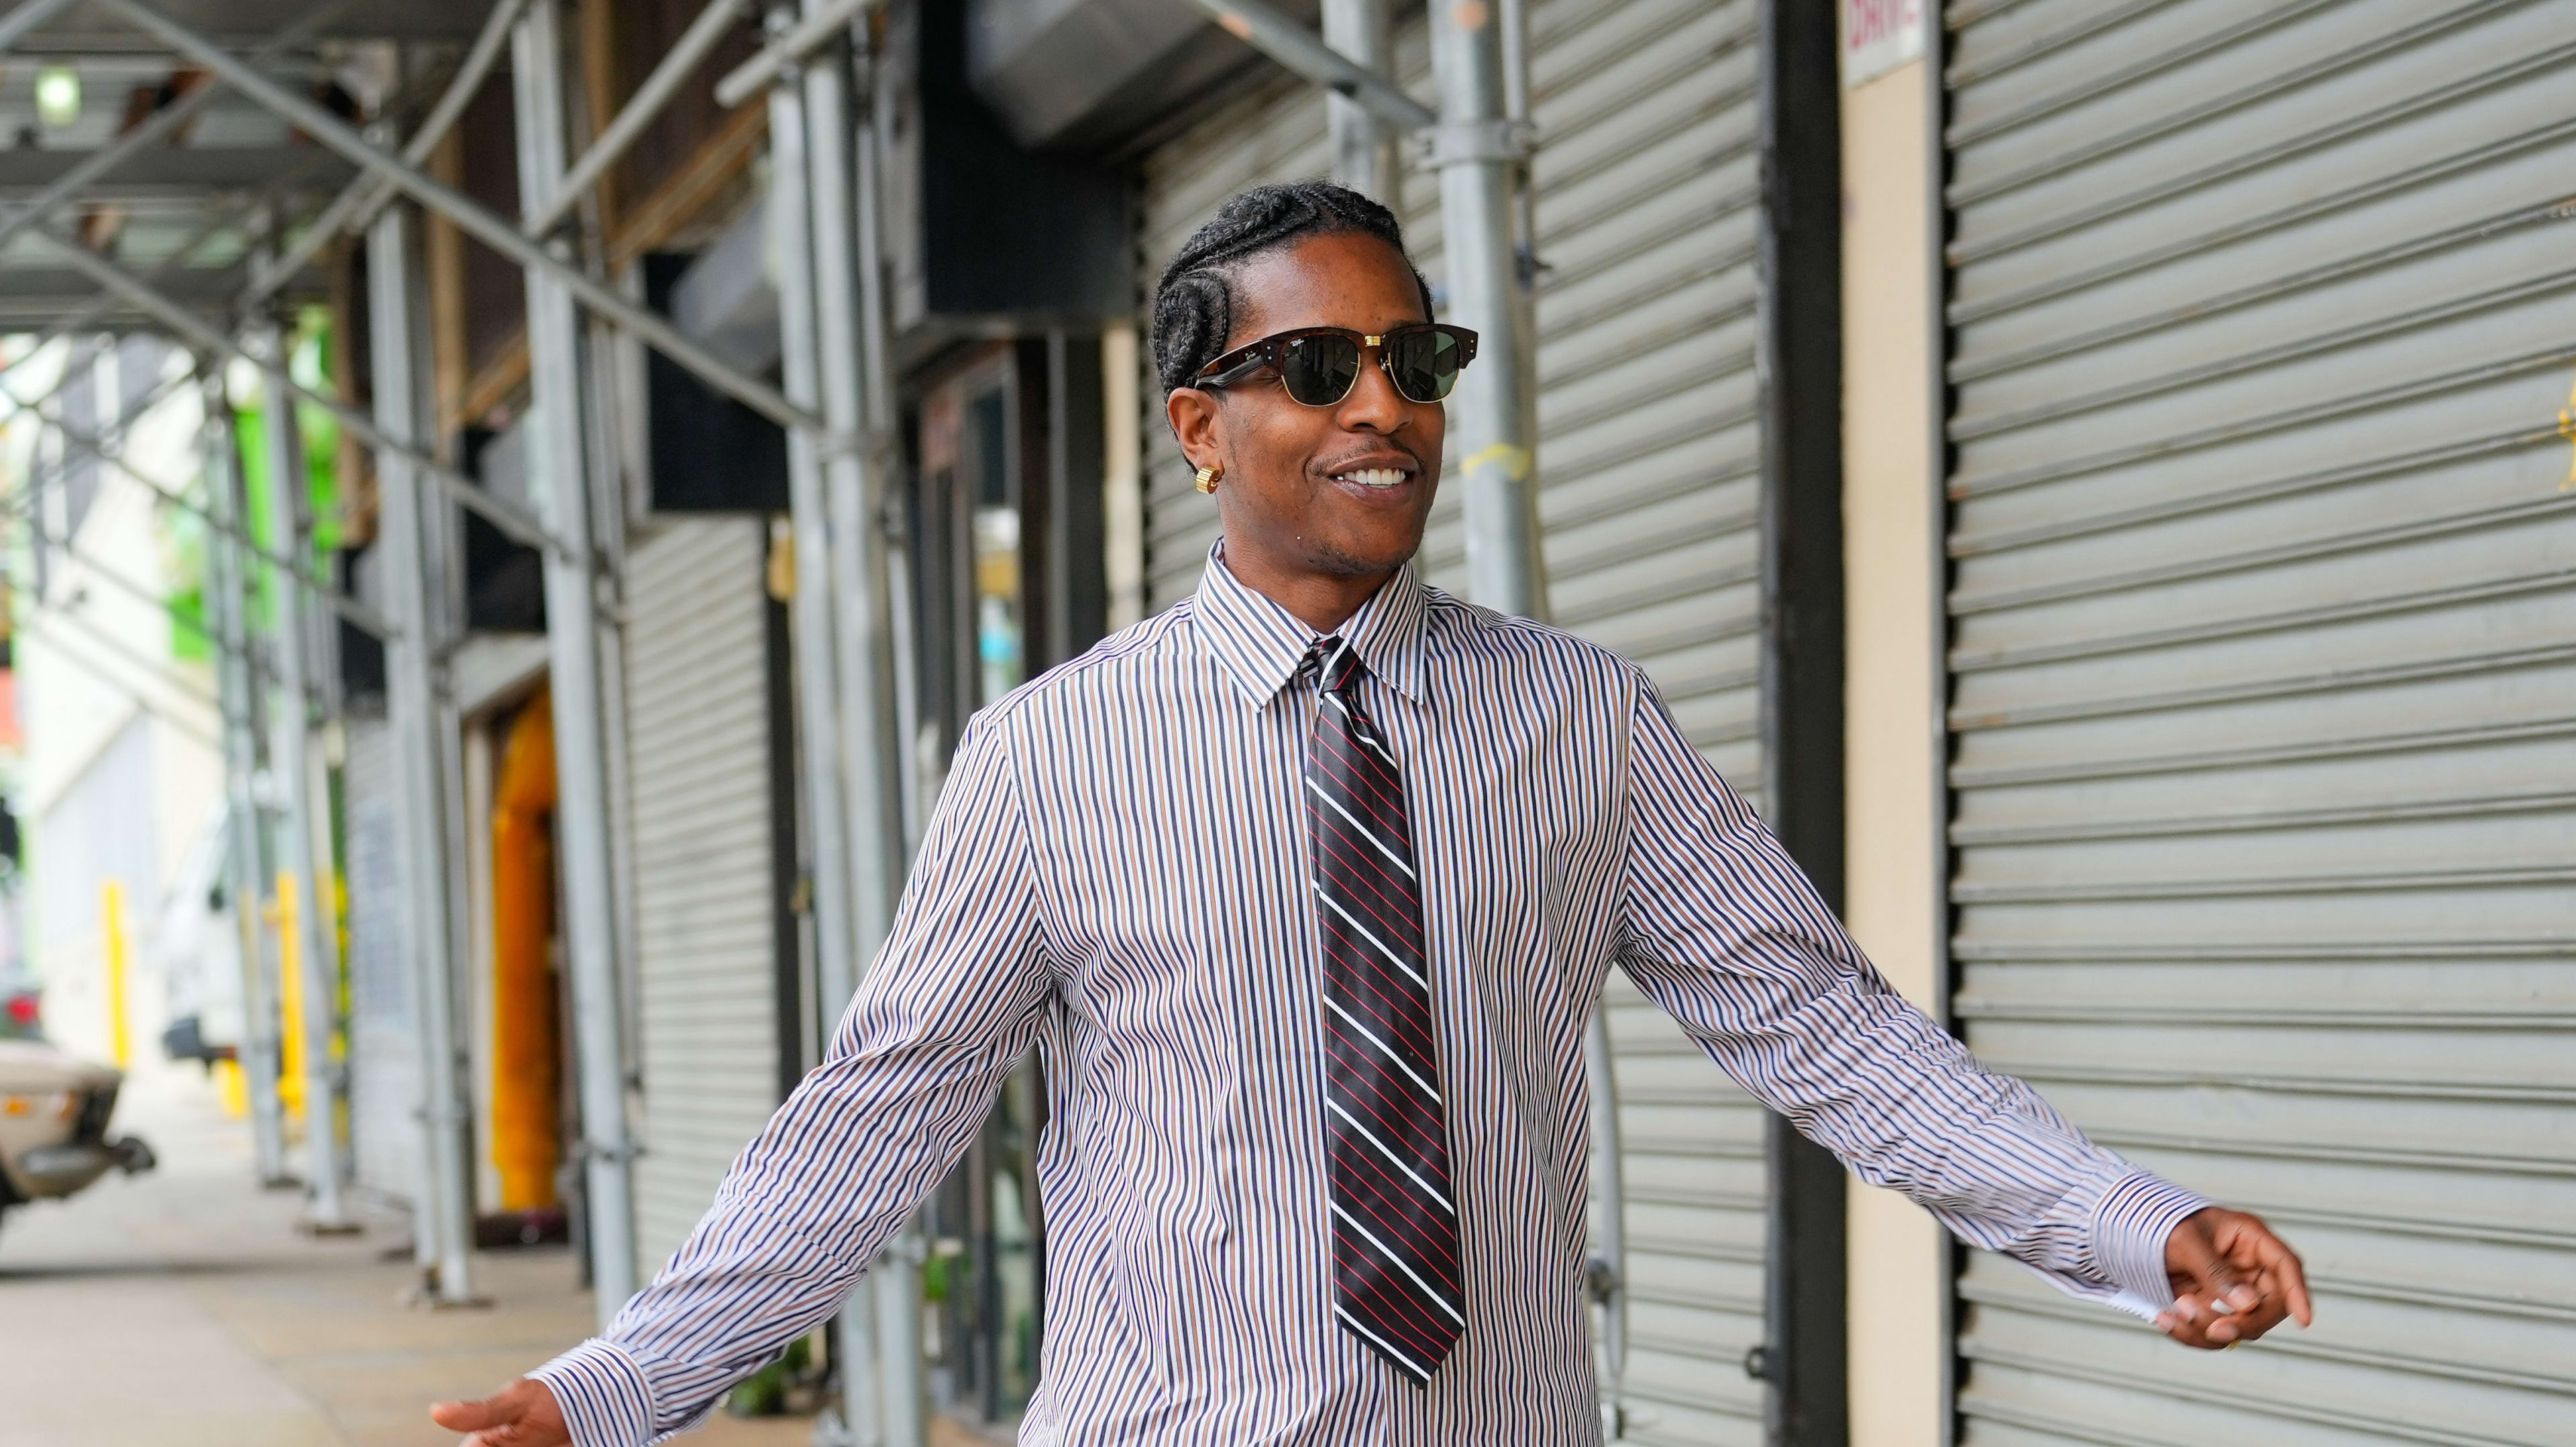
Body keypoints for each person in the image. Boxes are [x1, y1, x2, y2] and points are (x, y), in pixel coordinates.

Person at [432, 181, 2310, 1447]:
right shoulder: (1050, 759)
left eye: (1415, 361)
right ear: (1196, 428)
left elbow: (1827, 1031)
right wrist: (611, 1389)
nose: (1380, 408)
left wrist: (2129, 1224)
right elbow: (878, 1116)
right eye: (1313, 369)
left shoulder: (1578, 721)